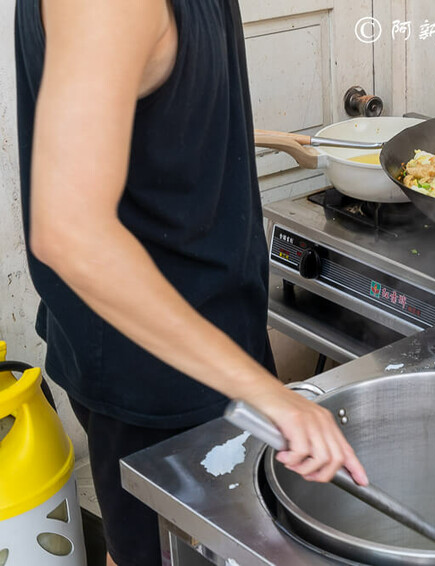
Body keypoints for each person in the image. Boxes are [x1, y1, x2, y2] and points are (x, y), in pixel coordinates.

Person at [14, 1, 368, 565]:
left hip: (210, 336)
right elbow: (69, 233)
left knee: (149, 542)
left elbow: (150, 110)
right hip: (149, 371)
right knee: (154, 549)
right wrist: (272, 396)